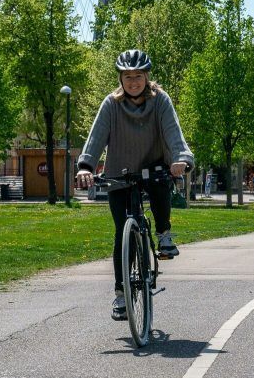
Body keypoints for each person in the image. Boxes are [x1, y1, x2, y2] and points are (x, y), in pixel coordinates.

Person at [74, 49, 194, 321]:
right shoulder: (111, 104)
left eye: (138, 76)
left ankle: (164, 235)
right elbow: (96, 137)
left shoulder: (160, 100)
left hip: (154, 166)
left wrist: (182, 159)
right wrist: (85, 166)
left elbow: (173, 133)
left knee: (160, 181)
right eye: (127, 77)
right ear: (121, 79)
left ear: (146, 77)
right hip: (120, 172)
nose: (133, 82)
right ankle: (121, 294)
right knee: (122, 233)